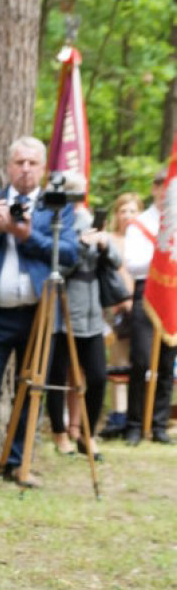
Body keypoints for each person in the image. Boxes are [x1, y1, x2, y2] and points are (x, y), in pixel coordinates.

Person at [0, 137, 78, 489]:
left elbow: (69, 253)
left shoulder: (57, 208)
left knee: (32, 389)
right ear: (9, 166)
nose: (25, 169)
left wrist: (25, 235)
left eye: (32, 163)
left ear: (43, 169)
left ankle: (17, 463)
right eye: (19, 162)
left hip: (38, 316)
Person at [45, 174, 120, 459]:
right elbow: (54, 269)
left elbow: (116, 261)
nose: (77, 200)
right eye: (72, 193)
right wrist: (79, 246)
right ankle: (60, 432)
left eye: (80, 193)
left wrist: (103, 244)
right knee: (57, 375)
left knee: (99, 376)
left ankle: (86, 434)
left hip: (92, 313)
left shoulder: (90, 220)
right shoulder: (55, 224)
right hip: (63, 309)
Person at [122, 167, 176, 445]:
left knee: (167, 361)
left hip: (172, 292)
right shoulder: (139, 223)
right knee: (141, 359)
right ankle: (134, 424)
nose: (165, 190)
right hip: (146, 290)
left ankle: (158, 424)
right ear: (155, 189)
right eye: (161, 185)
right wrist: (160, 258)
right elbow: (132, 262)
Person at [98, 192, 141, 440]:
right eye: (123, 211)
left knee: (143, 362)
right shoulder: (111, 240)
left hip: (144, 308)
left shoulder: (145, 241)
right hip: (117, 309)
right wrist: (120, 302)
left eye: (132, 211)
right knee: (118, 362)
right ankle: (118, 415)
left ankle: (140, 414)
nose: (127, 216)